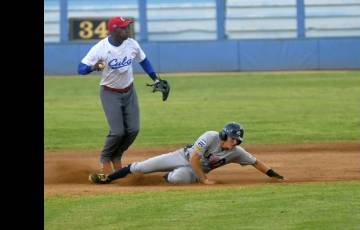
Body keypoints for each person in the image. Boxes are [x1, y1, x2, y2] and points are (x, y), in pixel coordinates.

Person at [78, 16, 169, 174]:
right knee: (118, 131)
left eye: (127, 27)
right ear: (114, 30)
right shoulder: (101, 48)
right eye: (123, 28)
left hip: (129, 91)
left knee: (133, 129)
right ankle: (105, 158)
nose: (127, 30)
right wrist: (93, 67)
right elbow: (80, 69)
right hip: (109, 93)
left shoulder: (131, 44)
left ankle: (117, 156)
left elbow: (143, 60)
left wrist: (155, 79)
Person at [89, 122, 284, 185]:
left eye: (238, 140)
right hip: (182, 156)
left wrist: (274, 175)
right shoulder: (210, 136)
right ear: (224, 135)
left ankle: (165, 178)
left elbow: (256, 162)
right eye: (233, 139)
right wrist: (204, 179)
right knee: (142, 167)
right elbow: (193, 158)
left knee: (179, 179)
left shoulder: (236, 152)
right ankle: (108, 178)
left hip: (191, 172)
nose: (235, 143)